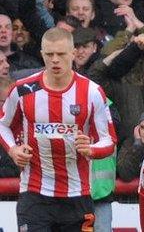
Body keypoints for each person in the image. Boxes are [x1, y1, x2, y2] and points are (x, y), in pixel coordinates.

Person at [0, 27, 117, 231]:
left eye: (61, 54)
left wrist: (92, 150)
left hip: (77, 196)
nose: (55, 60)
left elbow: (109, 140)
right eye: (50, 54)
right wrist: (13, 150)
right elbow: (2, 124)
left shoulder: (91, 92)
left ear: (72, 53)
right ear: (42, 54)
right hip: (35, 194)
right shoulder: (23, 90)